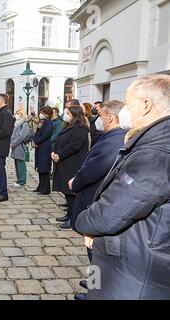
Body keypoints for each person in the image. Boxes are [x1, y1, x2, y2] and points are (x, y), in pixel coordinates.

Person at [75, 74, 170, 300]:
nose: (126, 109)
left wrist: (83, 222)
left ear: (146, 105)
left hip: (134, 272)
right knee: (95, 280)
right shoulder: (155, 141)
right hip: (131, 262)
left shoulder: (154, 155)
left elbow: (113, 211)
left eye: (128, 103)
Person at [68, 100, 127, 300]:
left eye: (101, 116)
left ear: (110, 117)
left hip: (94, 201)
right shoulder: (114, 137)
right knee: (94, 254)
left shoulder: (113, 141)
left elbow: (91, 170)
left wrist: (75, 183)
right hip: (96, 199)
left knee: (96, 253)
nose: (98, 120)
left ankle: (94, 292)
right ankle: (94, 284)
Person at [52, 106, 89, 229]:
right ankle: (69, 215)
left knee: (72, 192)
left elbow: (74, 146)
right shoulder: (68, 125)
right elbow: (59, 140)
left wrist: (59, 154)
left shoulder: (80, 128)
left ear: (74, 114)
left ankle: (73, 218)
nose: (65, 115)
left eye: (67, 113)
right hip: (64, 162)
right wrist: (54, 152)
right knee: (67, 192)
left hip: (73, 163)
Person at [32, 106, 54, 195]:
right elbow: (37, 133)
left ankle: (45, 189)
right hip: (40, 146)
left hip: (45, 147)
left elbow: (45, 135)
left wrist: (37, 142)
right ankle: (40, 186)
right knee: (40, 167)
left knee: (45, 168)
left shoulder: (49, 123)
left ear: (47, 114)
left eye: (43, 113)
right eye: (41, 112)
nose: (41, 114)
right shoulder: (42, 122)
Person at [10, 108, 31, 188]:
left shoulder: (24, 124)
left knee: (20, 162)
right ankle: (19, 179)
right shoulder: (17, 123)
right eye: (16, 113)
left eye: (18, 113)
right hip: (15, 146)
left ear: (22, 115)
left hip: (19, 146)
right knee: (17, 162)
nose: (16, 115)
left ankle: (22, 180)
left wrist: (13, 143)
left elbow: (21, 136)